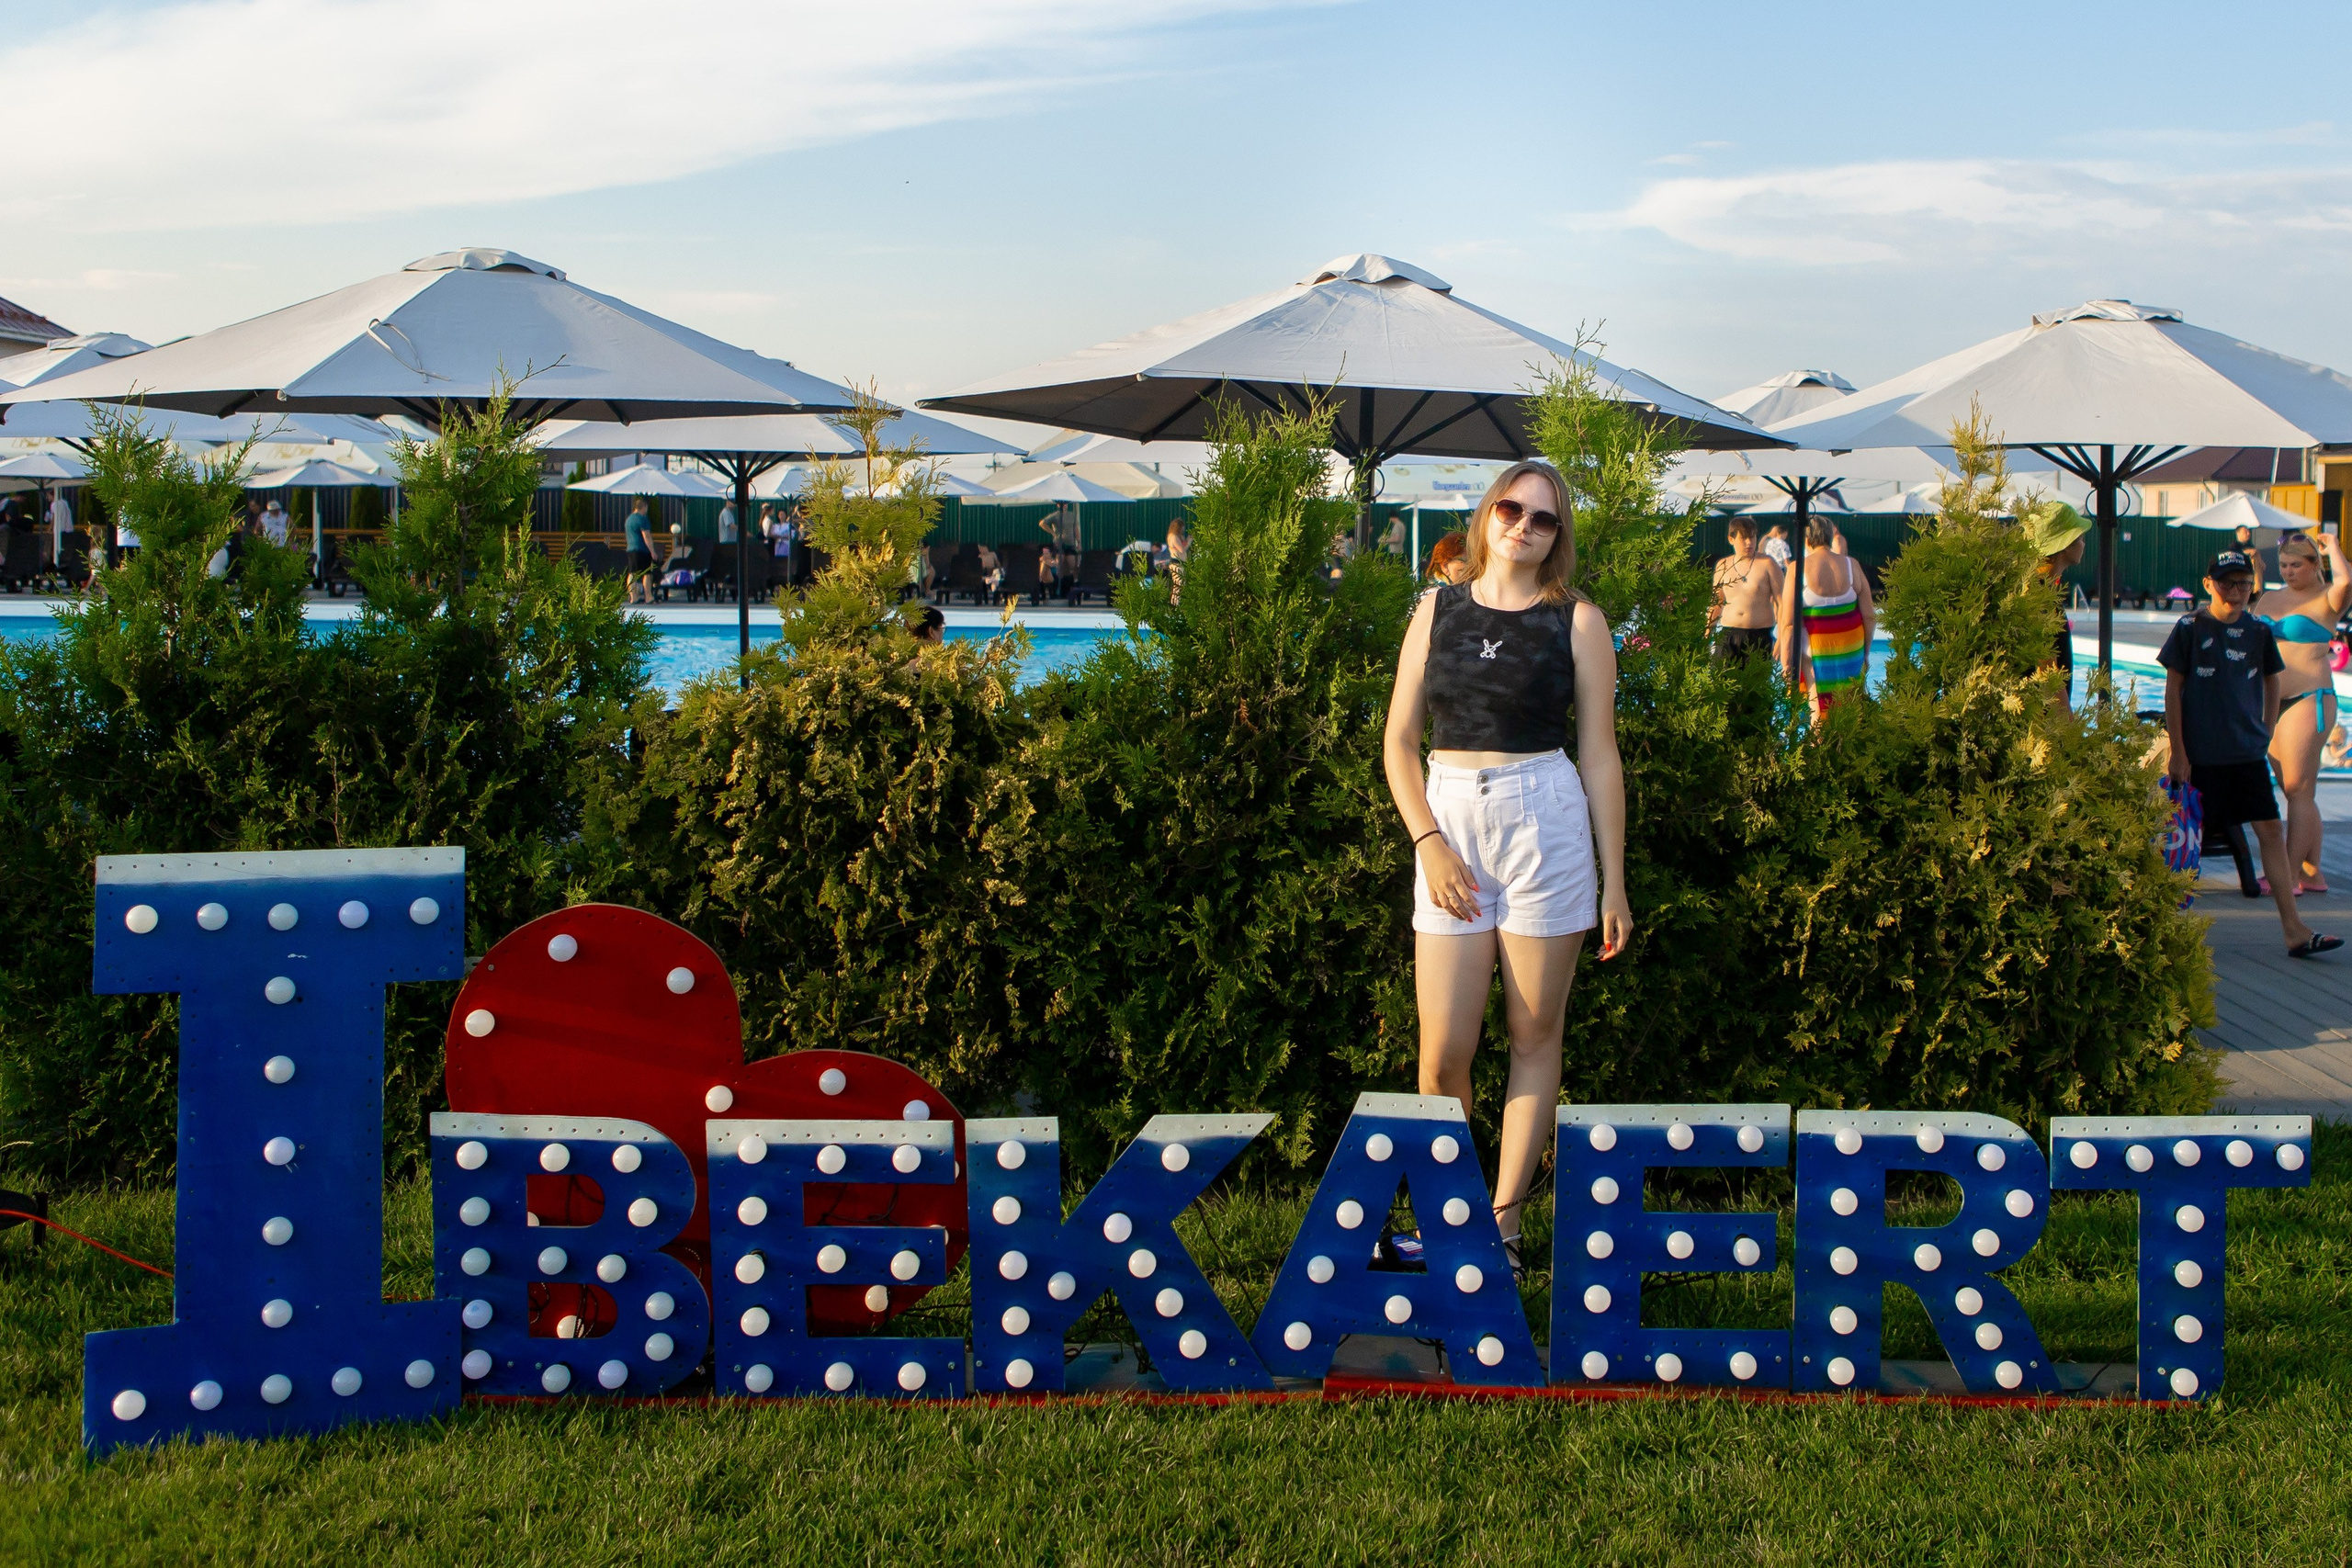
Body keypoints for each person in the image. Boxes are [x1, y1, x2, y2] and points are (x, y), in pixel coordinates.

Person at [1381, 460, 1633, 1274]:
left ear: (1558, 537)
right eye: (1512, 509)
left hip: (1545, 820)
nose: (1524, 526)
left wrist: (1613, 878)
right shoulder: (1436, 608)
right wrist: (1427, 840)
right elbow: (1398, 742)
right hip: (1449, 820)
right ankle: (1452, 1226)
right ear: (1488, 514)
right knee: (1443, 1052)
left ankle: (1503, 1229)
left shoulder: (1579, 622)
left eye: (1545, 519)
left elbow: (1599, 754)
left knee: (1533, 1034)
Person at [2161, 549, 2339, 957]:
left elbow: (2273, 680)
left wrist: (2268, 728)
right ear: (2209, 585)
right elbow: (2173, 689)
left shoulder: (2258, 630)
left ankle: (2294, 930)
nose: (2237, 591)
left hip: (2245, 754)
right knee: (2184, 843)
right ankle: (2161, 931)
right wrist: (2178, 750)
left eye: (2243, 583)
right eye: (2227, 583)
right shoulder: (2190, 627)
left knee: (2272, 832)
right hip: (2201, 757)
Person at [2257, 528, 2351, 895]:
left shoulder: (2328, 598)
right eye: (2284, 564)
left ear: (2315, 565)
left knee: (2297, 789)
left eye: (2297, 564)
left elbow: (2346, 579)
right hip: (2271, 700)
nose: (2289, 571)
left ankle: (2289, 873)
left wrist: (2335, 548)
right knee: (2295, 790)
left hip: (2310, 697)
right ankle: (2313, 874)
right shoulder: (2267, 597)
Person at [1781, 515, 1872, 713]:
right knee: (1850, 708)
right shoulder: (1852, 565)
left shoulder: (1797, 569)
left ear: (1806, 540)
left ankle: (1818, 744)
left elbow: (1788, 623)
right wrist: (1865, 652)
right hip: (1851, 648)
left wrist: (1786, 663)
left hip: (1816, 649)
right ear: (1831, 537)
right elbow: (1870, 616)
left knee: (1818, 707)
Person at [2025, 501, 2090, 705]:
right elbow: (2049, 677)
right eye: (2080, 538)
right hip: (2040, 726)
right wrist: (2071, 733)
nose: (2084, 544)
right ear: (2065, 544)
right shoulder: (2040, 598)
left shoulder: (2036, 590)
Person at [1707, 515, 1782, 661]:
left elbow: (1782, 602)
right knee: (1723, 682)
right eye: (1744, 538)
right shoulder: (1723, 565)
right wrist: (1707, 632)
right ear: (1731, 539)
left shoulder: (1767, 563)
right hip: (1728, 634)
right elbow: (1716, 602)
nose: (1749, 543)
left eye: (1752, 538)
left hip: (1759, 635)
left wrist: (1781, 638)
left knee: (1755, 683)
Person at [623, 497, 656, 604]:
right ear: (644, 507)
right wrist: (652, 551)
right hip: (642, 550)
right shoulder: (642, 519)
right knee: (647, 574)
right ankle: (648, 597)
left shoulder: (629, 519)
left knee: (632, 573)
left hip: (630, 549)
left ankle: (633, 597)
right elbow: (647, 536)